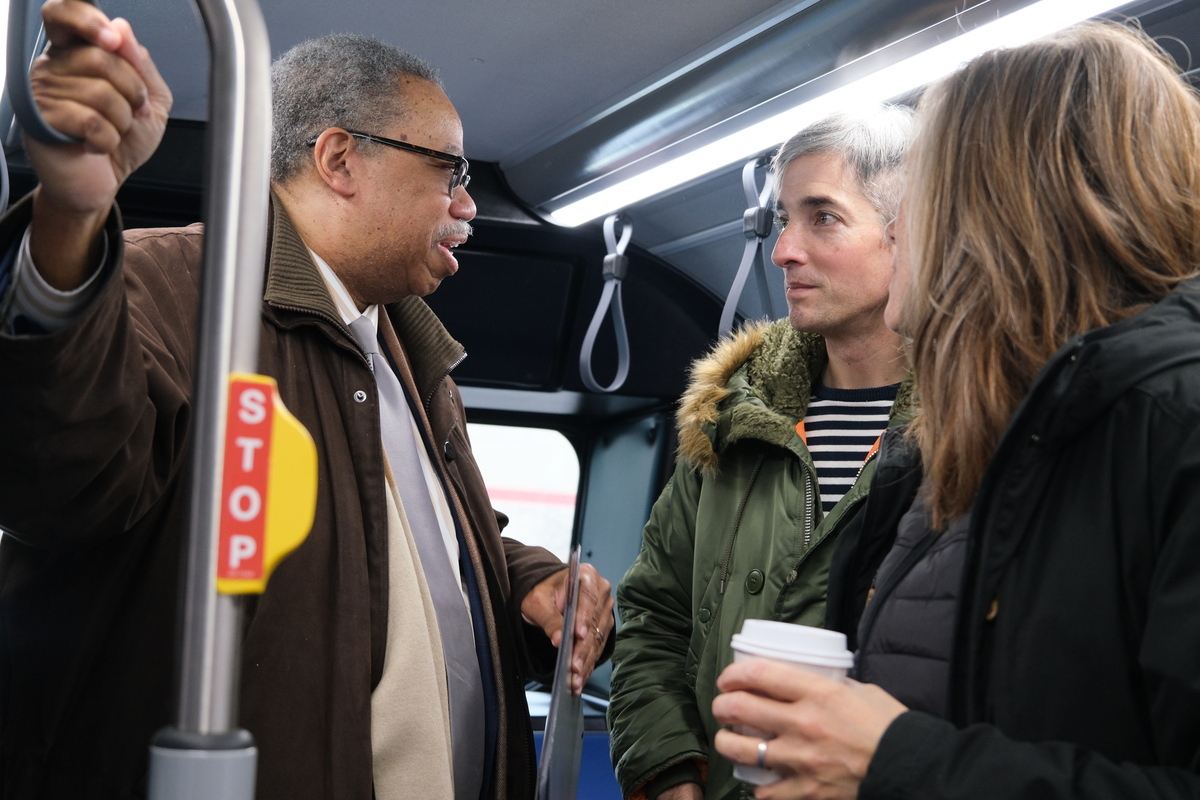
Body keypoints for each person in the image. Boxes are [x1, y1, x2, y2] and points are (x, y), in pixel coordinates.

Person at [0, 2, 614, 798]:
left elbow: (403, 546)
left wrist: (528, 578)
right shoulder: (177, 291)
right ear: (338, 160)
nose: (468, 206)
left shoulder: (400, 350)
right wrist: (72, 218)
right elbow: (64, 477)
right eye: (450, 173)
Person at [710, 20, 1200, 800]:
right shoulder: (948, 457)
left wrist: (895, 765)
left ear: (1002, 217)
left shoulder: (1174, 427)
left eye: (922, 198)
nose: (899, 231)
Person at [607, 106, 914, 800]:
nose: (782, 251)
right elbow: (655, 614)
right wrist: (668, 769)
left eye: (823, 218)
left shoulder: (973, 431)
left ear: (907, 234)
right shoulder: (734, 419)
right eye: (783, 220)